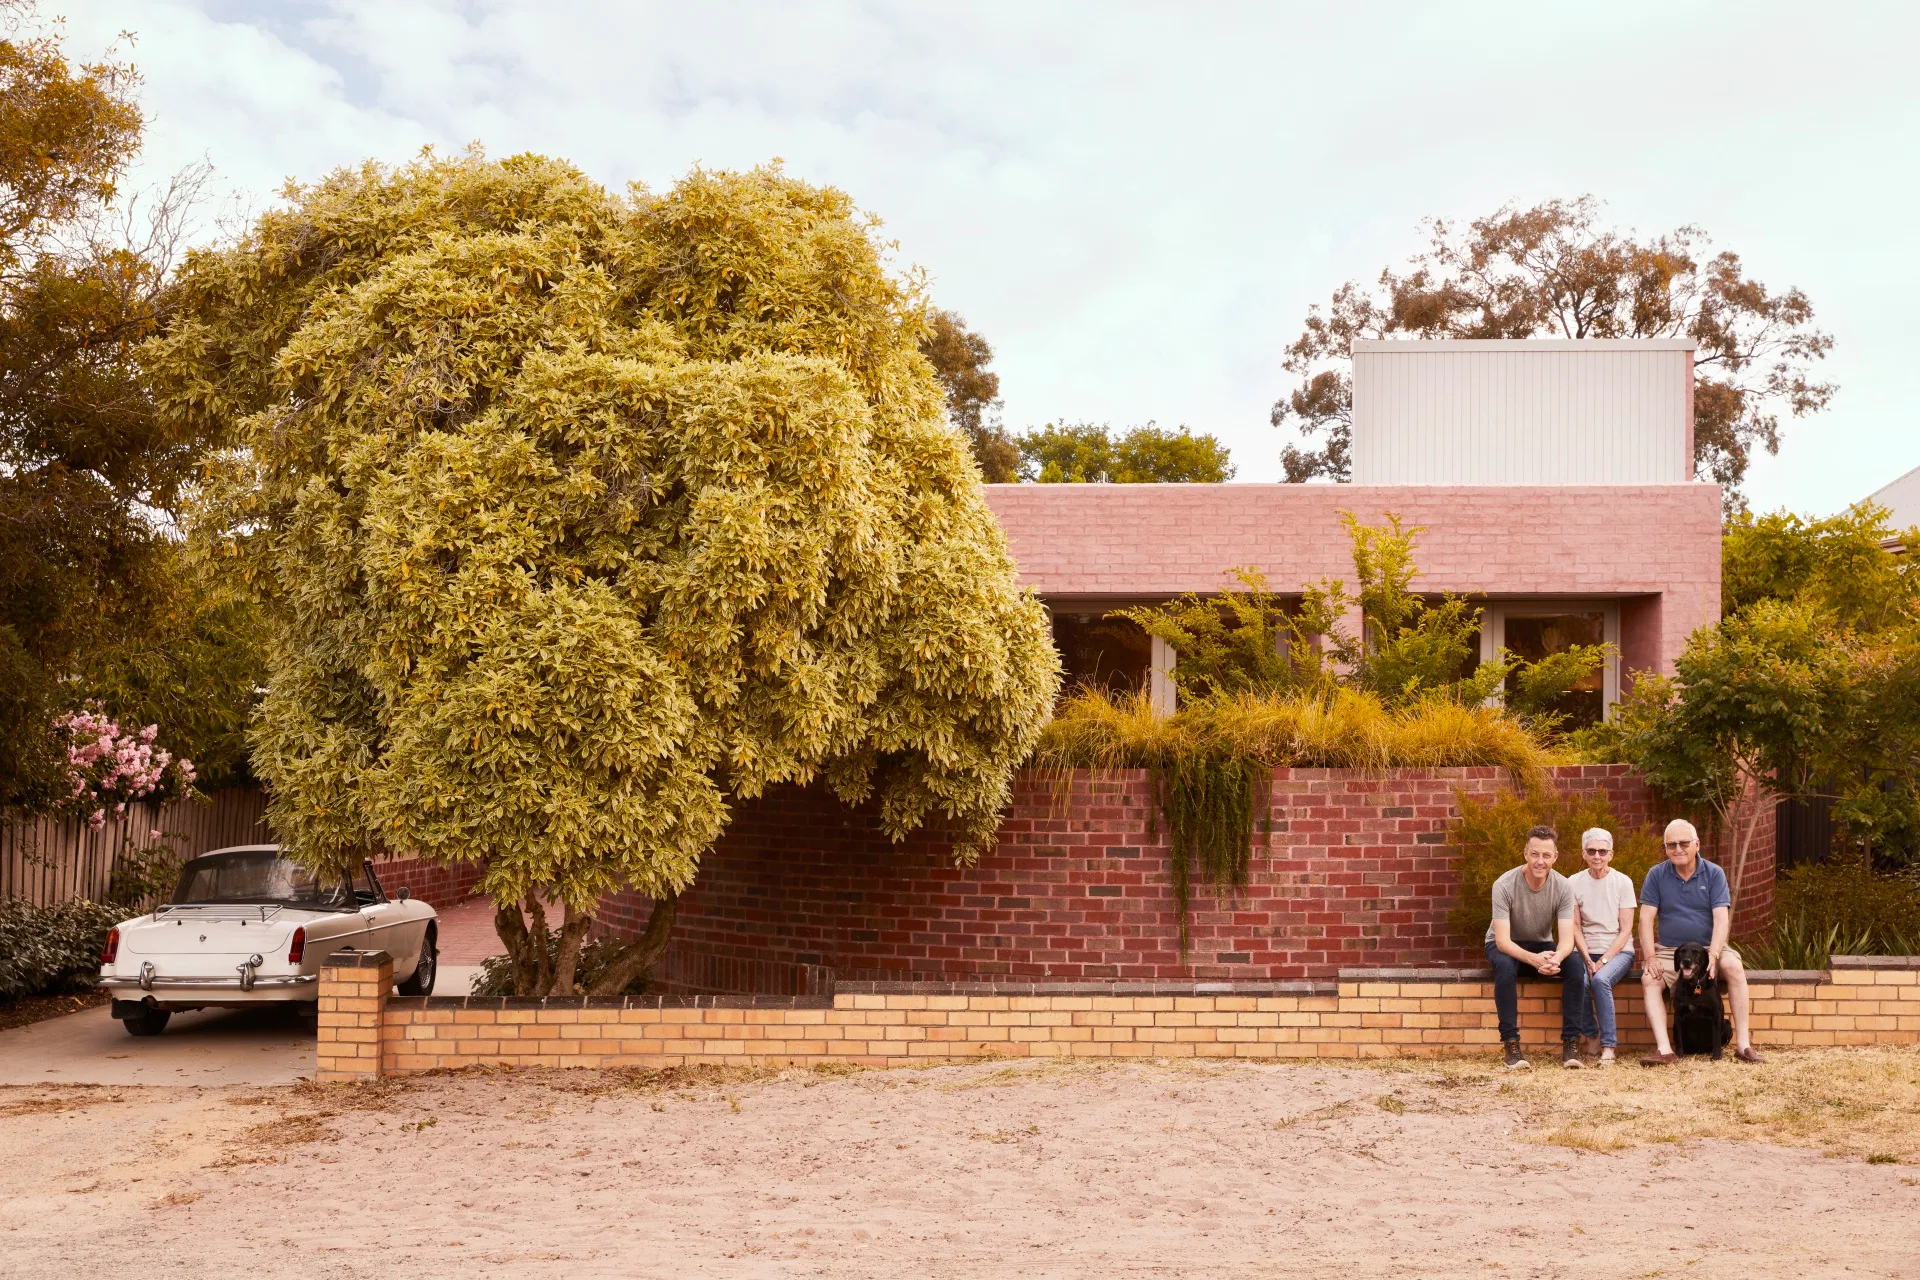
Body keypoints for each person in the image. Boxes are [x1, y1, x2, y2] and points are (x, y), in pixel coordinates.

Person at [1638, 818, 1765, 1065]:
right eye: (1671, 844)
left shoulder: (1713, 873)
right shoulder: (1656, 875)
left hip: (1709, 947)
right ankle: (1665, 1051)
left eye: (1683, 843)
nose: (1677, 849)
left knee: (1735, 968)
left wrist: (1715, 954)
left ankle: (1743, 1045)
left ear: (1697, 844)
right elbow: (1644, 920)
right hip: (1669, 950)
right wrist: (1650, 957)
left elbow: (1721, 920)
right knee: (1648, 979)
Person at [1484, 823, 1588, 1070]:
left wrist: (1555, 959)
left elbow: (1566, 940)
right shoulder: (1504, 885)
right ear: (1525, 853)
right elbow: (1502, 941)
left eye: (1546, 855)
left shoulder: (1563, 886)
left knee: (1574, 964)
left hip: (1541, 945)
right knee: (1506, 969)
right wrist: (1535, 960)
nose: (1540, 861)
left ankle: (1571, 1045)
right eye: (1535, 854)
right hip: (1505, 946)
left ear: (1555, 857)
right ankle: (1511, 1044)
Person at [1566, 827, 1636, 1066]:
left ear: (1611, 854)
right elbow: (1574, 926)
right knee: (1581, 981)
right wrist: (1587, 959)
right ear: (1584, 853)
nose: (1597, 856)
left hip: (1618, 951)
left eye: (1602, 851)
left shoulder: (1622, 882)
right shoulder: (1572, 883)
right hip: (1585, 949)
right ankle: (1592, 1037)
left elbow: (1626, 929)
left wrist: (1602, 961)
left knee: (1600, 980)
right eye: (1592, 851)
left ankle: (1609, 1045)